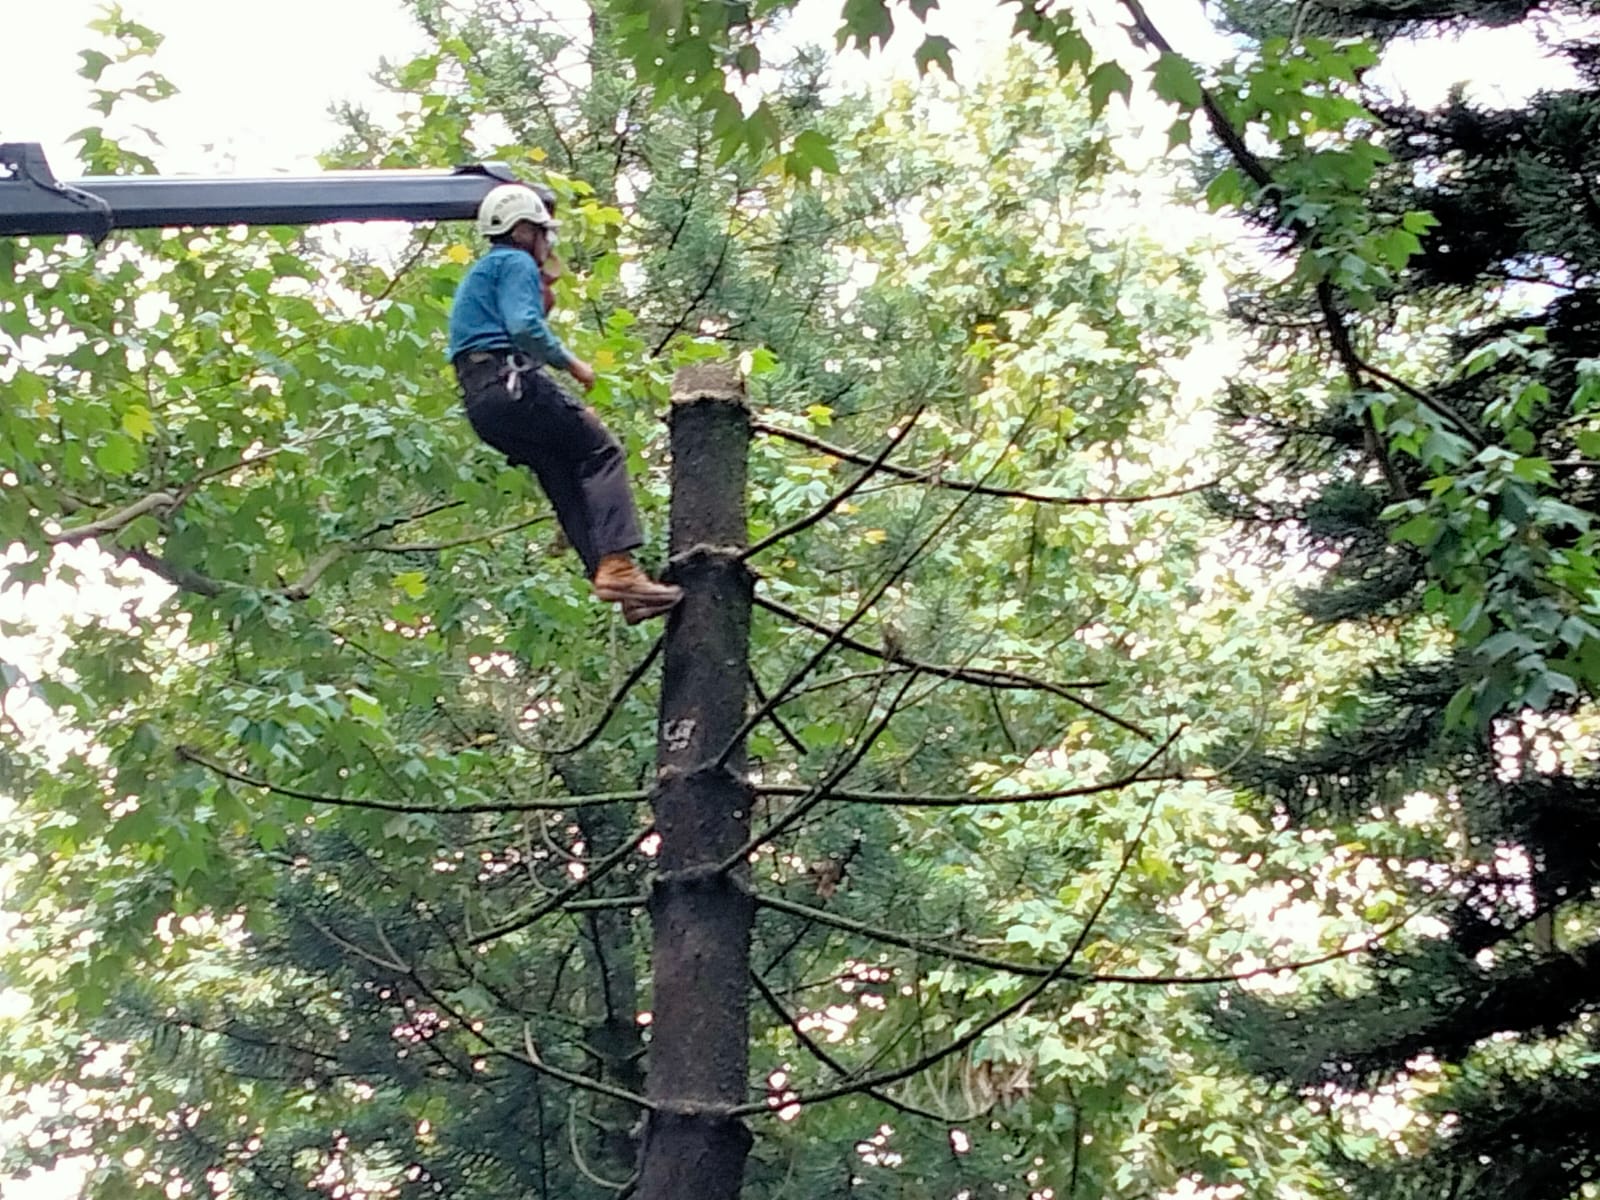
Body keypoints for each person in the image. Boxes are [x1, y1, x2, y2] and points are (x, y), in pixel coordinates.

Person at [448, 184, 682, 624]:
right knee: (600, 451)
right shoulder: (514, 260)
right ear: (522, 230)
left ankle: (618, 583)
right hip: (512, 384)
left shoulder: (486, 272)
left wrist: (543, 301)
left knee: (563, 473)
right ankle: (618, 567)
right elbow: (523, 327)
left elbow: (503, 325)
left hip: (484, 403)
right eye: (541, 231)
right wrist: (573, 364)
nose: (547, 242)